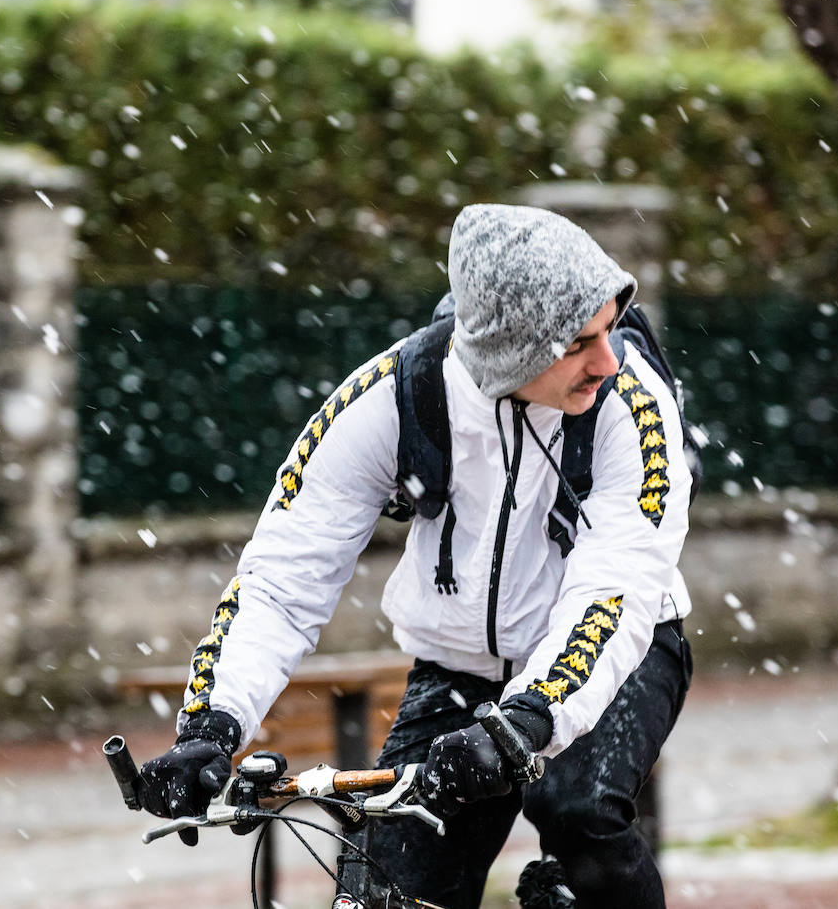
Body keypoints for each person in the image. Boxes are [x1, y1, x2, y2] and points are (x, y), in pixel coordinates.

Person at [136, 203, 695, 909]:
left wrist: (524, 724)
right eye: (583, 342)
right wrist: (210, 726)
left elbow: (614, 591)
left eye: (610, 331)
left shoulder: (631, 410)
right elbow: (283, 579)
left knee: (577, 811)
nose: (608, 360)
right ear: (518, 348)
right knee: (386, 885)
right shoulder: (392, 399)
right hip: (460, 667)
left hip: (623, 649)